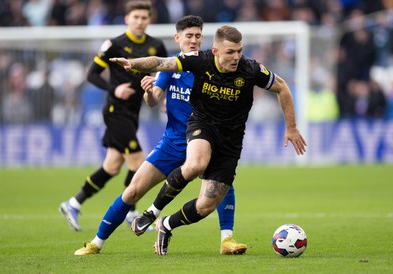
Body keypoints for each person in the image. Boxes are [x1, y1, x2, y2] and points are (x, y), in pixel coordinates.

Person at [110, 24, 307, 255]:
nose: (236, 57)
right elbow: (161, 62)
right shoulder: (200, 61)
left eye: (239, 51)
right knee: (195, 164)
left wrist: (292, 127)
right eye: (230, 52)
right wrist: (133, 63)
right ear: (215, 51)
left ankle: (166, 224)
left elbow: (282, 87)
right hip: (202, 124)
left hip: (231, 140)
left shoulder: (250, 69)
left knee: (206, 205)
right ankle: (151, 212)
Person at [73, 15, 247, 256]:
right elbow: (154, 100)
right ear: (178, 38)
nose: (194, 40)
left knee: (222, 183)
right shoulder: (173, 66)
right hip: (174, 141)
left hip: (207, 138)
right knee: (133, 190)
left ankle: (226, 238)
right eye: (189, 36)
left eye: (198, 36)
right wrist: (148, 92)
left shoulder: (211, 64)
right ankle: (96, 243)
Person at [59, 0, 167, 232]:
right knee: (139, 162)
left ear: (149, 20)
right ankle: (132, 212)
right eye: (135, 17)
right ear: (127, 19)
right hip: (114, 111)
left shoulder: (156, 46)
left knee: (111, 166)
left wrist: (162, 98)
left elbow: (164, 74)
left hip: (133, 113)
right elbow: (92, 75)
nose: (139, 21)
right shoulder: (115, 44)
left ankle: (73, 203)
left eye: (144, 18)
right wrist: (114, 89)